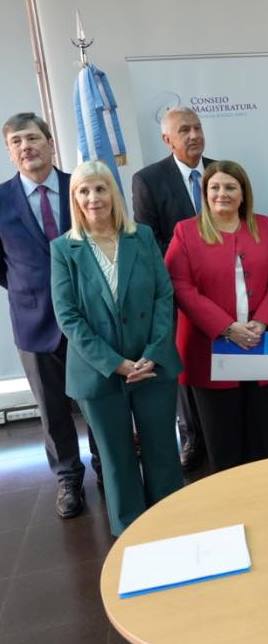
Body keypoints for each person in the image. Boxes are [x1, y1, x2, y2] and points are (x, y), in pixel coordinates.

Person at [50, 161, 184, 536]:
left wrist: (153, 352)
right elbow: (68, 316)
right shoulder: (63, 248)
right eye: (84, 191)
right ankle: (132, 535)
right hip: (99, 373)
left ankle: (171, 526)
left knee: (162, 452)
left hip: (152, 364)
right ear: (75, 198)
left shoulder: (141, 236)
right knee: (116, 459)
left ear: (114, 192)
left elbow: (163, 296)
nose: (93, 198)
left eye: (101, 188)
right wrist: (116, 364)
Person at [165, 160, 268, 471]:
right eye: (214, 187)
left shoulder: (265, 226)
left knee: (266, 436)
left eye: (230, 187)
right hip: (211, 349)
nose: (221, 193)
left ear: (243, 193)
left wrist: (262, 320)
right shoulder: (186, 232)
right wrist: (226, 327)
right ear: (205, 192)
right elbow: (180, 286)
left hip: (262, 342)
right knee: (223, 441)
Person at [0, 112, 98, 518]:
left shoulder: (82, 187)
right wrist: (32, 290)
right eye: (17, 142)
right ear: (10, 152)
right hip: (34, 321)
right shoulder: (0, 199)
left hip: (91, 318)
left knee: (97, 399)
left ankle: (108, 466)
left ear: (50, 143)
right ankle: (68, 478)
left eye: (33, 138)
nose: (26, 147)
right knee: (52, 408)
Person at [133, 106, 214, 470]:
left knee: (223, 358)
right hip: (177, 290)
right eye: (184, 130)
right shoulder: (148, 180)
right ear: (167, 139)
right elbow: (149, 241)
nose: (194, 135)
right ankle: (193, 436)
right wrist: (193, 263)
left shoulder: (221, 170)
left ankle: (220, 428)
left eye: (197, 127)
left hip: (223, 287)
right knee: (186, 363)